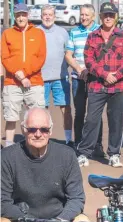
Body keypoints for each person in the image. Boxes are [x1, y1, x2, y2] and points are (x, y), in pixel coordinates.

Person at [1, 107, 87, 222]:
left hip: (59, 219)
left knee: (83, 221)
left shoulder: (66, 155)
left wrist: (59, 220)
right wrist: (29, 221)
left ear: (51, 130)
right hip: (24, 221)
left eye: (44, 129)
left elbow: (77, 198)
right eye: (32, 129)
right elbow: (2, 201)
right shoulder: (7, 157)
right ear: (23, 129)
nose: (38, 134)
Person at [77, 2, 123, 168]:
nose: (108, 18)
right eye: (105, 15)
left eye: (111, 15)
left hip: (118, 86)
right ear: (100, 17)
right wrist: (104, 74)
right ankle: (84, 153)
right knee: (91, 120)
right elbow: (88, 60)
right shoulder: (93, 36)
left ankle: (114, 154)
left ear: (115, 17)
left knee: (116, 121)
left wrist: (116, 76)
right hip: (97, 85)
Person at [1, 3, 46, 147]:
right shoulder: (7, 33)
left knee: (36, 118)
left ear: (28, 15)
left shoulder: (38, 33)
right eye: (18, 15)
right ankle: (8, 148)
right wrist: (19, 76)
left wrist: (25, 74)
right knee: (11, 117)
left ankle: (34, 147)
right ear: (15, 16)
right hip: (12, 82)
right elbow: (5, 57)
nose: (21, 18)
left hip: (34, 82)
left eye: (23, 14)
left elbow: (41, 57)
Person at [65, 4, 104, 155]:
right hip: (78, 78)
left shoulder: (100, 31)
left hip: (96, 79)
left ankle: (97, 145)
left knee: (95, 113)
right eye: (82, 14)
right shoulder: (74, 32)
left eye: (87, 15)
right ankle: (79, 144)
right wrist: (79, 69)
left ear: (93, 16)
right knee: (79, 113)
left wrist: (93, 71)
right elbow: (68, 55)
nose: (84, 17)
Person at [38, 5, 73, 147]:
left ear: (54, 16)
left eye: (50, 14)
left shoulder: (63, 32)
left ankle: (68, 140)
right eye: (45, 14)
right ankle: (44, 140)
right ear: (41, 16)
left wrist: (66, 68)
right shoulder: (35, 31)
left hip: (60, 77)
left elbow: (69, 53)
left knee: (66, 108)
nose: (47, 17)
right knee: (42, 111)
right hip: (40, 78)